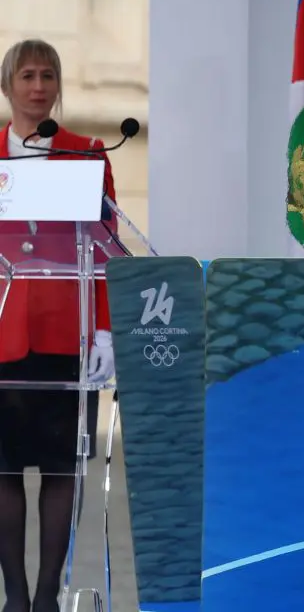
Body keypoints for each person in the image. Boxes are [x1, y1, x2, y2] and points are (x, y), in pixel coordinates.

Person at [0, 39, 117, 612]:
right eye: (27, 75)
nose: (38, 86)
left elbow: (107, 247)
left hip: (66, 331)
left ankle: (48, 596)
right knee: (1, 468)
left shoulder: (87, 154)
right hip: (2, 331)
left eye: (48, 75)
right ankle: (14, 597)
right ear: (8, 86)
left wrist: (106, 331)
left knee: (59, 467)